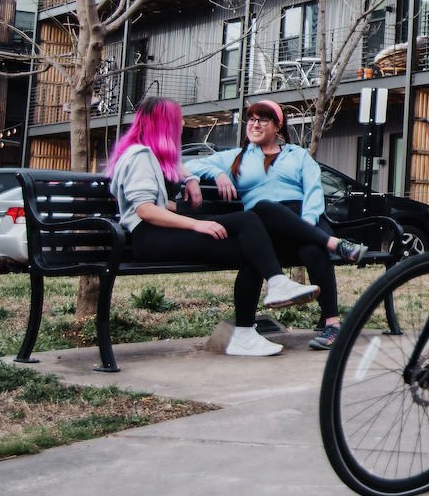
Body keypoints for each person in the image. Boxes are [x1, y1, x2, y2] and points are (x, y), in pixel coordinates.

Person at [106, 97, 318, 357]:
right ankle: (252, 319)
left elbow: (163, 192)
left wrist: (192, 179)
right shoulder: (139, 155)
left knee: (249, 226)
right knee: (251, 245)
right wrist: (198, 224)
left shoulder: (151, 154)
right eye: (177, 118)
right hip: (150, 239)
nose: (182, 123)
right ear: (164, 123)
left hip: (160, 232)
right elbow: (145, 210)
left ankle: (264, 304)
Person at [181, 99, 369, 352]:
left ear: (277, 127)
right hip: (265, 229)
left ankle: (332, 324)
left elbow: (313, 190)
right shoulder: (236, 158)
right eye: (252, 119)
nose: (255, 124)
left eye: (263, 120)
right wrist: (218, 173)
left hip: (304, 219)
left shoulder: (298, 155)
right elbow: (187, 164)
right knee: (265, 210)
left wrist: (305, 224)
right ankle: (337, 245)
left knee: (313, 250)